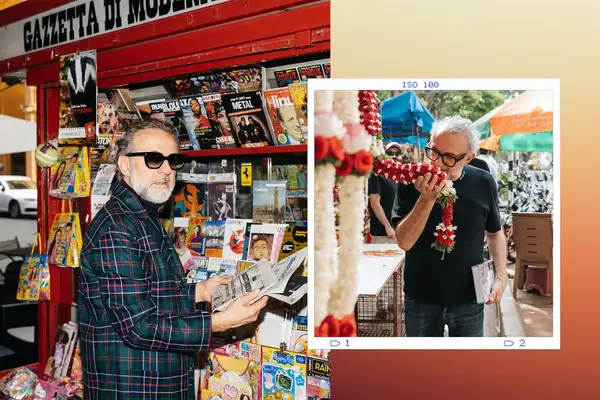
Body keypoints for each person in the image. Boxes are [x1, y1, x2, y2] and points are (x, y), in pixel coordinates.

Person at [78, 119, 268, 399]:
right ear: (125, 165)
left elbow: (151, 291)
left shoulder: (142, 213)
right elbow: (138, 327)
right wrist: (217, 323)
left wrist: (199, 292)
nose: (167, 169)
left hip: (157, 380)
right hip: (134, 388)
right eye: (154, 159)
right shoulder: (118, 225)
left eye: (173, 159)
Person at [391, 116, 507, 337]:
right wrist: (425, 200)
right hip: (421, 297)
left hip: (470, 297)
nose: (437, 163)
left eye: (450, 157)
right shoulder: (411, 181)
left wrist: (501, 276)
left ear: (469, 157)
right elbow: (404, 241)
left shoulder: (483, 182)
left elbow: (495, 232)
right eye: (433, 152)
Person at [368, 142, 400, 244]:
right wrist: (388, 226)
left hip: (395, 232)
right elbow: (374, 202)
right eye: (390, 153)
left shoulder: (395, 175)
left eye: (397, 153)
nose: (394, 156)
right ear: (385, 154)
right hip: (383, 233)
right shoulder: (377, 174)